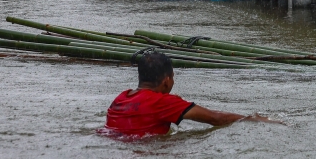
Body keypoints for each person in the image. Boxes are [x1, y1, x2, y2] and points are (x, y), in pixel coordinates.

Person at [104, 52, 275, 137]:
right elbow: (215, 118)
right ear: (166, 80)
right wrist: (253, 118)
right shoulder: (162, 102)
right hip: (144, 151)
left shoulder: (121, 97)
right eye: (173, 77)